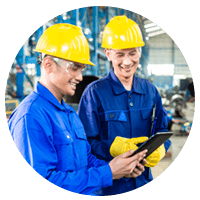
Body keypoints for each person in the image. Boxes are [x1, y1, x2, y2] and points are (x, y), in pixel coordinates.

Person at [8, 23, 148, 195]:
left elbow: (86, 160)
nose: (80, 77)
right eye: (74, 68)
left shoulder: (69, 114)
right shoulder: (31, 116)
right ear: (48, 64)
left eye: (82, 69)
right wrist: (108, 173)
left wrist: (120, 167)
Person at [78, 16, 171, 196]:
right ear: (108, 53)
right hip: (107, 188)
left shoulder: (151, 91)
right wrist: (113, 148)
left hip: (143, 180)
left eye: (133, 53)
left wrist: (160, 149)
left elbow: (162, 131)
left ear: (139, 52)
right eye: (120, 54)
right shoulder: (94, 93)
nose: (127, 62)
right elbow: (85, 144)